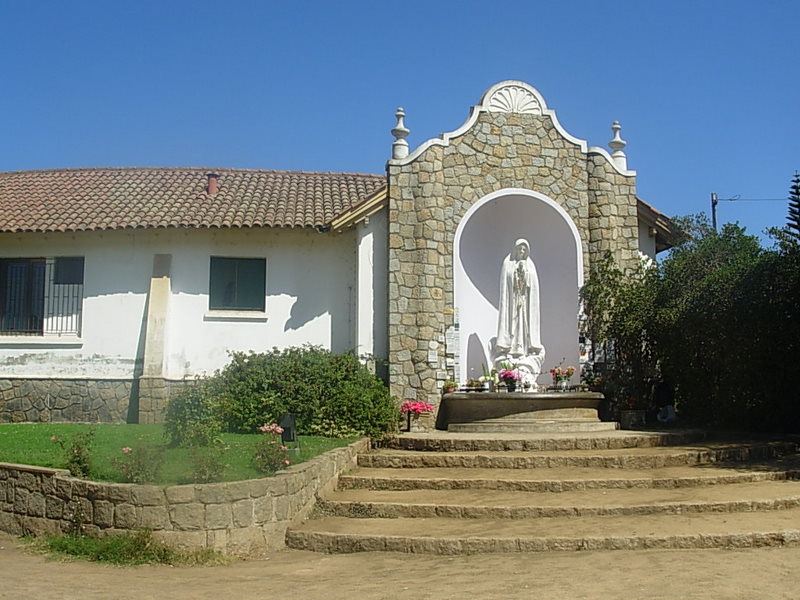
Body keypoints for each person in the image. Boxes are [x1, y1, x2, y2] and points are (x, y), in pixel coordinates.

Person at [491, 239, 545, 385]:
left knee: (523, 327)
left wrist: (525, 274)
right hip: (512, 303)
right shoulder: (508, 264)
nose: (521, 252)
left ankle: (524, 351)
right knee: (513, 326)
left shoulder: (530, 265)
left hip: (524, 304)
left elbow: (532, 285)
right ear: (515, 250)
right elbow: (506, 284)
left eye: (524, 250)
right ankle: (511, 350)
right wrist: (516, 273)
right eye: (519, 250)